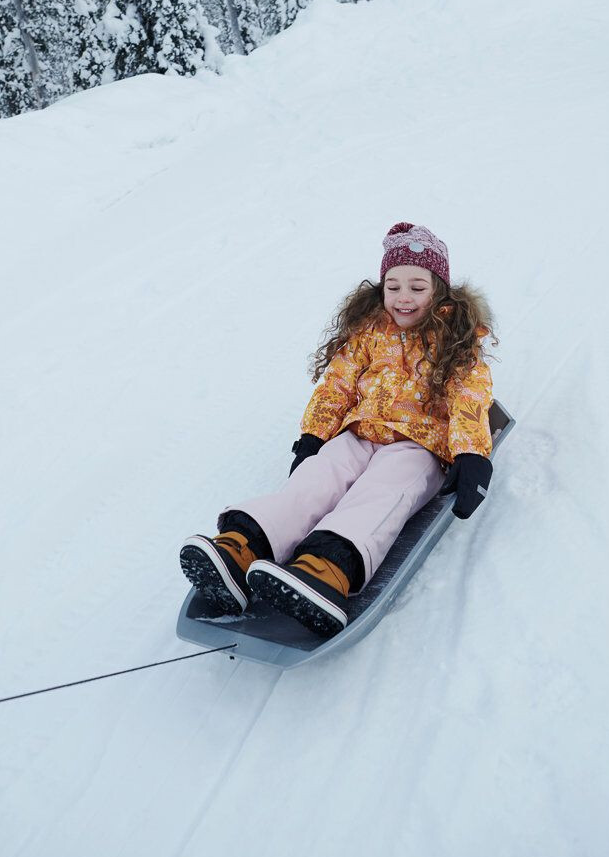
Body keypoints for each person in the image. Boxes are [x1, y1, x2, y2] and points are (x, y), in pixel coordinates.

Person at [180, 222, 496, 639]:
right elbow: (338, 385)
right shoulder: (368, 331)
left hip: (420, 445)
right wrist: (314, 436)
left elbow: (470, 396)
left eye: (417, 287)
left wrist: (472, 456)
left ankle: (325, 568)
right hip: (360, 432)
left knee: (381, 493)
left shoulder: (455, 338)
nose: (404, 297)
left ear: (440, 289)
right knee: (316, 477)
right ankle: (242, 549)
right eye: (394, 286)